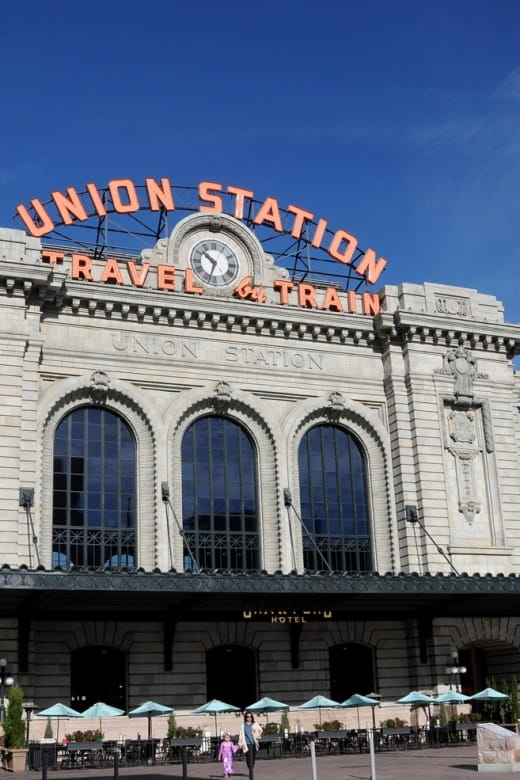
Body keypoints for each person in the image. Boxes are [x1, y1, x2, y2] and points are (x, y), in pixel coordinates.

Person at [238, 711, 263, 779]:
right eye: (247, 716)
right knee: (248, 760)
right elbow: (241, 735)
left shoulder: (254, 724)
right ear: (245, 717)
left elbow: (260, 730)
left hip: (253, 744)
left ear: (252, 717)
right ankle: (251, 775)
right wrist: (240, 743)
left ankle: (251, 770)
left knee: (253, 760)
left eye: (250, 716)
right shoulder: (243, 725)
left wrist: (256, 733)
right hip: (247, 745)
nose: (249, 718)